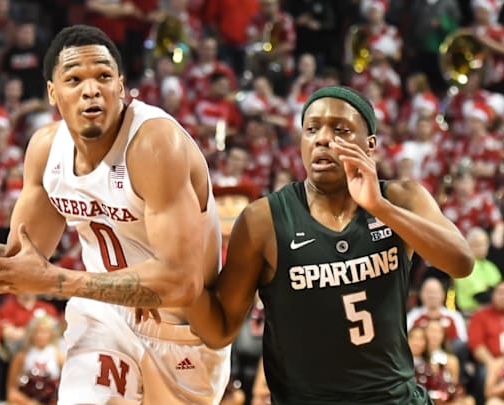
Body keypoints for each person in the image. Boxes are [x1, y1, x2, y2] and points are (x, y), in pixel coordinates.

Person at [0, 24, 230, 405]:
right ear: (52, 92)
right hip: (103, 315)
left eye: (104, 76)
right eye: (74, 78)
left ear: (121, 87)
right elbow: (19, 262)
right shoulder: (46, 150)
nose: (91, 89)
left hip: (181, 333)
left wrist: (56, 282)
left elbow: (181, 282)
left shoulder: (156, 144)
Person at [186, 85, 474, 404]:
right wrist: (183, 288)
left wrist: (380, 208)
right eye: (311, 129)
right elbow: (220, 330)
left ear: (370, 145)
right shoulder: (262, 220)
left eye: (341, 129)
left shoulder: (402, 198)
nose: (323, 138)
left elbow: (461, 262)